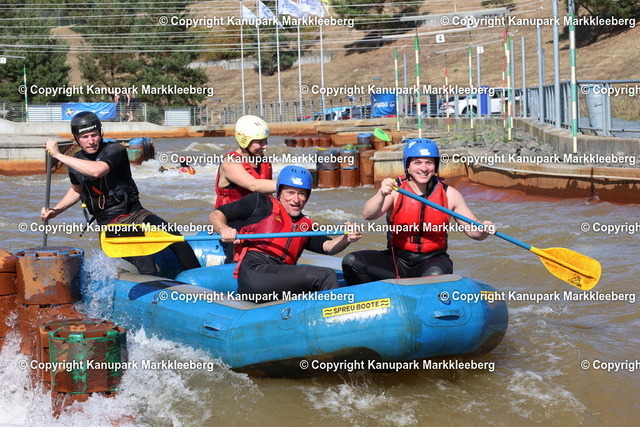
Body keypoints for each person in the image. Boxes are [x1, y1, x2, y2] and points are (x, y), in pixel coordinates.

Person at [41, 111, 200, 275]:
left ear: (101, 133)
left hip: (136, 213)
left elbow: (97, 171)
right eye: (85, 137)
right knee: (146, 262)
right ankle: (152, 287)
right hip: (110, 223)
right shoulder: (75, 161)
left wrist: (58, 155)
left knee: (175, 238)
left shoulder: (115, 150)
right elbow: (77, 190)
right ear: (76, 138)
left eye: (94, 135)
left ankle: (199, 277)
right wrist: (56, 210)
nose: (91, 141)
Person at [341, 138, 494, 285]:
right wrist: (381, 193)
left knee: (433, 277)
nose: (424, 168)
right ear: (407, 165)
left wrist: (483, 229)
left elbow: (474, 231)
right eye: (417, 163)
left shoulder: (450, 194)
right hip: (397, 259)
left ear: (436, 166)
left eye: (429, 163)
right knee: (352, 261)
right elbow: (368, 215)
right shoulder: (395, 190)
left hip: (433, 260)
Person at [209, 165, 362, 302]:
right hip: (255, 272)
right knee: (326, 276)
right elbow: (216, 214)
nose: (296, 199)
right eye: (290, 193)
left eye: (301, 194)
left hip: (280, 274)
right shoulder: (259, 202)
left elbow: (328, 246)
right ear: (280, 193)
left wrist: (346, 238)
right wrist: (224, 229)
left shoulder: (305, 225)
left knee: (325, 277)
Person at [214, 115, 276, 208]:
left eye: (265, 140)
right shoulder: (230, 163)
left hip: (257, 213)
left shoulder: (263, 161)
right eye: (260, 142)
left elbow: (269, 194)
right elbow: (253, 185)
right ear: (245, 141)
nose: (265, 146)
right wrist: (289, 184)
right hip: (232, 215)